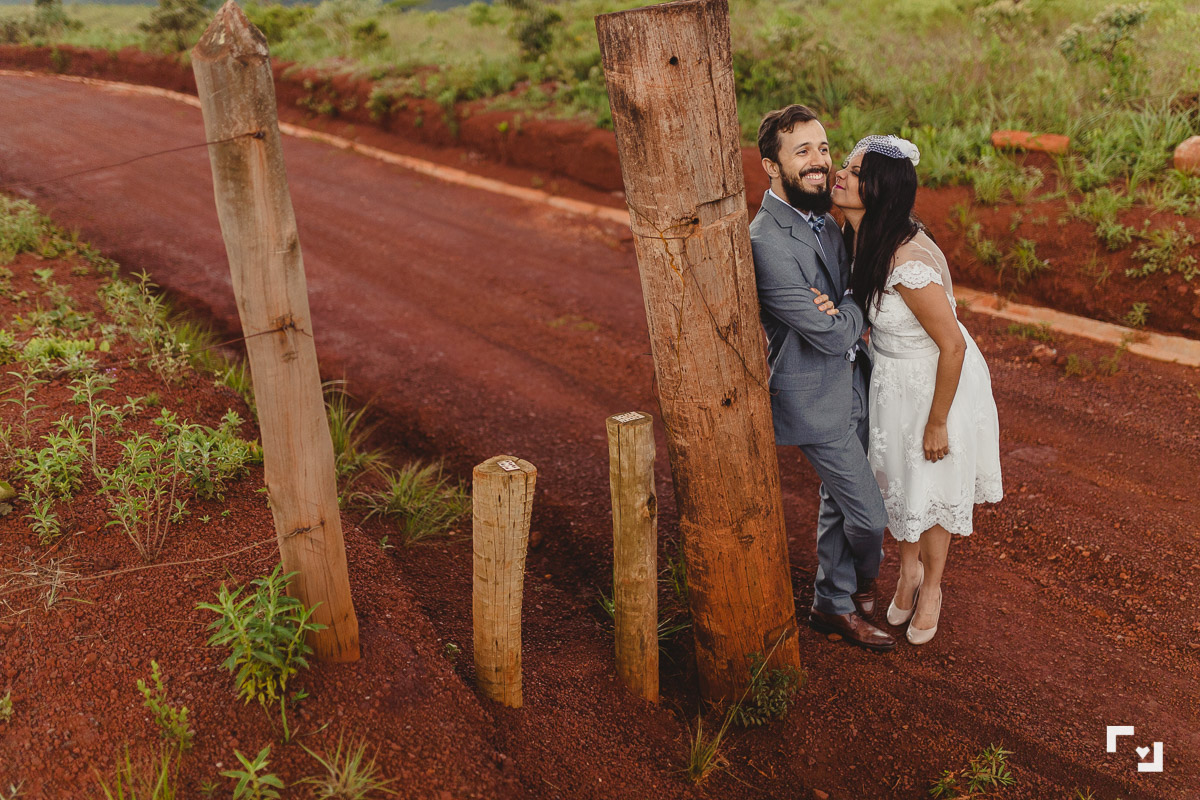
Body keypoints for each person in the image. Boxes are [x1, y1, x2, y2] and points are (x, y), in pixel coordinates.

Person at [831, 135, 1004, 645]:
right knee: (902, 486)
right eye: (845, 163)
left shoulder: (906, 261)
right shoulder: (861, 233)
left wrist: (937, 420)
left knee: (930, 490)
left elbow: (952, 346)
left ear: (878, 188)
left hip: (936, 382)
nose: (841, 172)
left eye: (854, 170)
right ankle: (906, 574)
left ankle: (932, 587)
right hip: (893, 379)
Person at [749, 105, 895, 653]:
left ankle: (830, 605)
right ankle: (859, 583)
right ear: (771, 165)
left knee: (838, 501)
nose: (819, 162)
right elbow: (832, 336)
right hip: (812, 395)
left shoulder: (822, 216)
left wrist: (840, 308)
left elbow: (839, 320)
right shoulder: (768, 241)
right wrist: (852, 303)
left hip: (854, 383)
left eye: (824, 148)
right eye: (802, 151)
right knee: (868, 516)